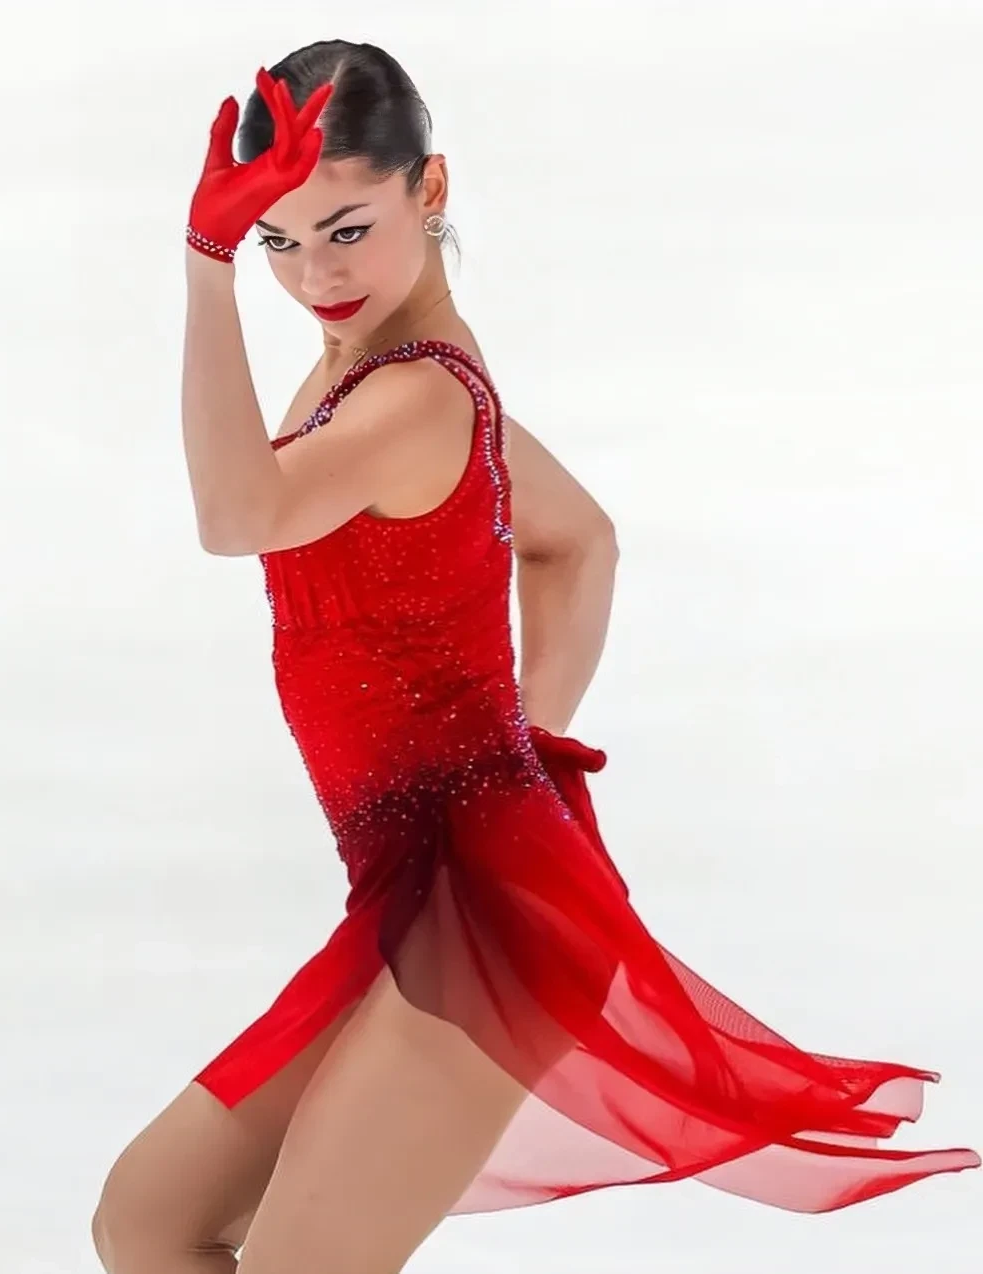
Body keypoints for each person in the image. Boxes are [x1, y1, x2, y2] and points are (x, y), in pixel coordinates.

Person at [91, 39, 980, 1274]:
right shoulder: (379, 379)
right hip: (420, 882)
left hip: (485, 919)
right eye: (276, 241)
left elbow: (235, 514)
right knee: (147, 1222)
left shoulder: (417, 401)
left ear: (429, 186)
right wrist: (522, 744)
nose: (313, 275)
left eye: (346, 230)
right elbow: (577, 540)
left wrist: (207, 261)